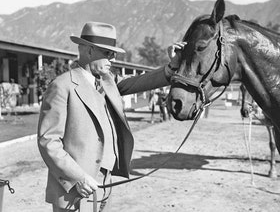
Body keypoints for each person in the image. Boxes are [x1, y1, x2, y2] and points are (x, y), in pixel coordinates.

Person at [37, 22, 186, 212]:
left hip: (105, 184)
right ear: (89, 51)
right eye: (108, 53)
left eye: (114, 54)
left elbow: (140, 81)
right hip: (75, 189)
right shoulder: (62, 85)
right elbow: (48, 141)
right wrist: (77, 178)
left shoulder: (108, 81)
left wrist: (172, 66)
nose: (113, 59)